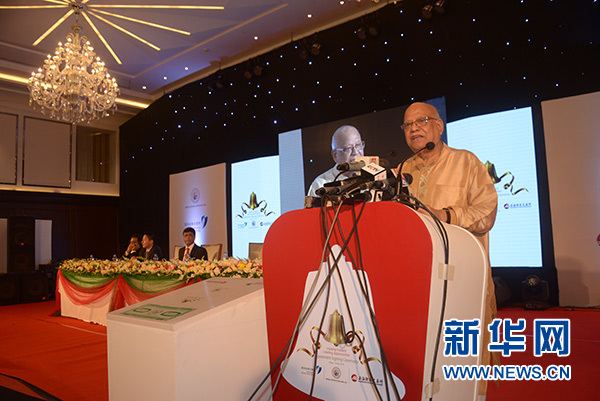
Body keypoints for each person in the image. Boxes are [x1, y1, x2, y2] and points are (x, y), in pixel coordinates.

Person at [398, 102, 498, 397]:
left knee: (463, 363)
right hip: (416, 281)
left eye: (421, 121)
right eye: (408, 125)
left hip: (461, 278)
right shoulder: (402, 170)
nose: (414, 128)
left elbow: (486, 213)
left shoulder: (465, 162)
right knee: (422, 360)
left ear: (439, 126)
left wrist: (446, 215)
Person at [307, 125, 365, 197]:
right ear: (335, 155)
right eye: (348, 148)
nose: (355, 152)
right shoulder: (320, 184)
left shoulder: (373, 177)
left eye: (358, 145)